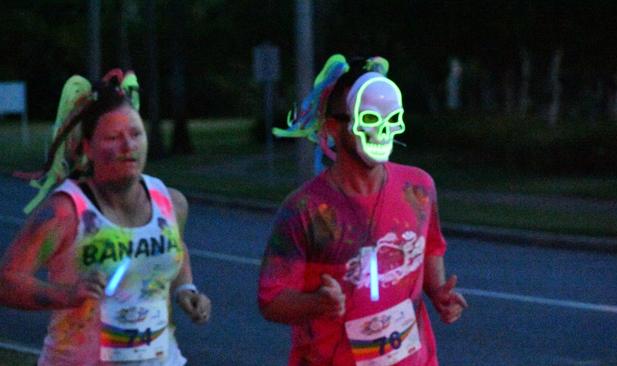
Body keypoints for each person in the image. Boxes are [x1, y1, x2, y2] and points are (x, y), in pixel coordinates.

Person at [258, 54, 467, 365]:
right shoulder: (304, 210)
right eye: (367, 117)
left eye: (391, 117)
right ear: (331, 128)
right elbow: (270, 300)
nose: (382, 129)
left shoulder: (419, 188)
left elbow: (429, 248)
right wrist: (318, 304)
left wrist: (439, 294)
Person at [0, 69, 211, 365]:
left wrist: (186, 289)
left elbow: (174, 247)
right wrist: (67, 295)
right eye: (113, 137)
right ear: (88, 147)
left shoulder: (171, 202)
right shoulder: (65, 211)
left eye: (136, 134)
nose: (129, 147)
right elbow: (7, 282)